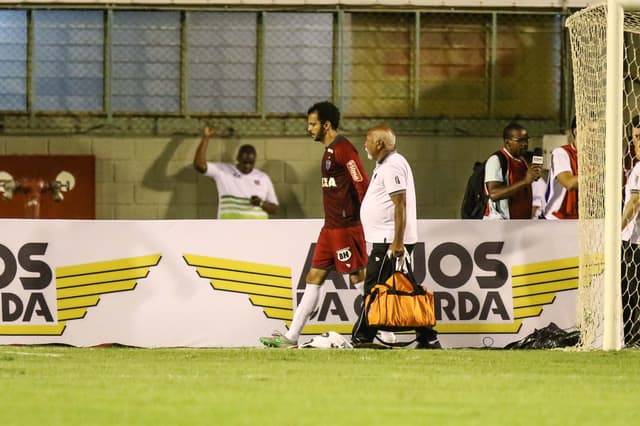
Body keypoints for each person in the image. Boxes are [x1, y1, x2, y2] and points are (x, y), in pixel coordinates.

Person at [260, 101, 370, 348]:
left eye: (313, 124)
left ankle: (386, 332)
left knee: (359, 279)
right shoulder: (329, 150)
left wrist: (367, 219)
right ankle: (291, 337)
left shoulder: (344, 150)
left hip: (345, 227)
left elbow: (362, 183)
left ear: (326, 125)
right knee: (313, 276)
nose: (309, 128)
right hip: (329, 229)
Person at [351, 125, 440, 349]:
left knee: (374, 288)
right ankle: (428, 337)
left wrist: (397, 242)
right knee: (406, 287)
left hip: (389, 241)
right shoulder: (385, 164)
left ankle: (362, 336)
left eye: (368, 140)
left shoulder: (392, 165)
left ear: (379, 143)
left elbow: (400, 204)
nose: (365, 144)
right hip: (389, 240)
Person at [193, 126, 278, 219]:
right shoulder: (223, 171)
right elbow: (199, 165)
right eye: (244, 162)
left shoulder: (263, 178)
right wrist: (206, 137)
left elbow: (274, 209)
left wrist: (261, 203)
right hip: (229, 230)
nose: (247, 166)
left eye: (251, 163)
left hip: (257, 232)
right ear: (237, 158)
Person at [484, 122, 542, 220]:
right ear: (507, 143)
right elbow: (494, 194)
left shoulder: (522, 160)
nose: (525, 144)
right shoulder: (496, 160)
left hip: (520, 222)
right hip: (501, 224)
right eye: (520, 141)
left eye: (526, 140)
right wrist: (525, 182)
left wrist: (533, 176)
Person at [620, 116, 640, 347]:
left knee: (630, 293)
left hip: (634, 243)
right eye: (635, 138)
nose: (637, 143)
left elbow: (634, 203)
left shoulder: (639, 168)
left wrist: (615, 231)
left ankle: (631, 339)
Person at [544, 116, 579, 219]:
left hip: (581, 218)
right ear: (576, 131)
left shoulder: (595, 157)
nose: (595, 135)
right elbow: (569, 183)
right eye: (591, 130)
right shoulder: (561, 153)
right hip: (557, 218)